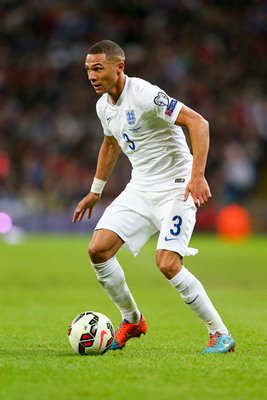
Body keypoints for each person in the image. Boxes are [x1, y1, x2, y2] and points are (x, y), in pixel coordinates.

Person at [72, 40, 235, 354]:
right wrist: (95, 191)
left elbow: (198, 122)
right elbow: (110, 145)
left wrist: (197, 175)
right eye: (88, 70)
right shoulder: (103, 106)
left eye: (97, 68)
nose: (91, 76)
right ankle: (132, 320)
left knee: (168, 263)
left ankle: (221, 334)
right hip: (140, 188)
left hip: (177, 187)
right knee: (98, 249)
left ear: (119, 67)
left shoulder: (145, 94)